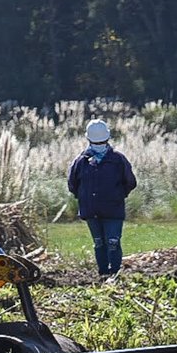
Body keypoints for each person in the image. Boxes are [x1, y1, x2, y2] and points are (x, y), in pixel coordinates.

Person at [66, 119, 138, 277]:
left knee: (102, 243)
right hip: (106, 209)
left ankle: (110, 274)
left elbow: (72, 184)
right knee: (109, 243)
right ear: (108, 137)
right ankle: (107, 274)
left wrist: (84, 198)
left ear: (88, 138)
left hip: (97, 209)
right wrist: (118, 195)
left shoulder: (82, 161)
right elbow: (130, 182)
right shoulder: (115, 159)